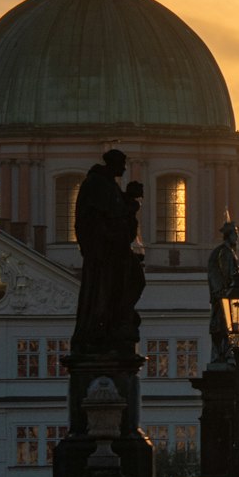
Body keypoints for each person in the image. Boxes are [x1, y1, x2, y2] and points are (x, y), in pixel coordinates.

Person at [71, 148, 145, 357]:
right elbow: (101, 218)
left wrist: (130, 200)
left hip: (116, 250)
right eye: (122, 164)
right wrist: (127, 206)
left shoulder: (108, 185)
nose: (124, 168)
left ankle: (118, 321)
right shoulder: (96, 184)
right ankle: (104, 328)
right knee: (105, 291)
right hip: (104, 253)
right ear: (112, 164)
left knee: (133, 281)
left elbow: (118, 214)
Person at [207, 219, 239, 364]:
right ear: (229, 235)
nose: (237, 237)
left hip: (226, 297)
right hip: (225, 297)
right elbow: (228, 275)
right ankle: (224, 354)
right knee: (223, 326)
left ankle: (226, 353)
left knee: (226, 326)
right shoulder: (225, 252)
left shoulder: (227, 252)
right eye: (235, 233)